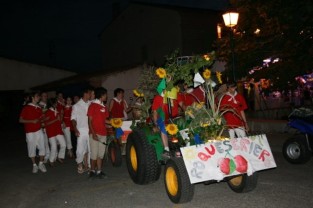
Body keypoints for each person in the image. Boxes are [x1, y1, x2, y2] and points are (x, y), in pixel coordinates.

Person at [19, 92, 47, 173]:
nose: (39, 98)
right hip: (30, 132)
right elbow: (20, 120)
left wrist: (43, 119)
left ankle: (41, 164)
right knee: (31, 149)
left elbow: (41, 119)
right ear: (32, 97)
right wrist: (32, 121)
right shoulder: (26, 108)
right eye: (37, 96)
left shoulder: (39, 108)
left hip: (39, 130)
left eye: (39, 96)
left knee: (42, 147)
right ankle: (34, 165)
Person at [87, 87, 110, 179]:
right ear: (101, 95)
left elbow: (105, 121)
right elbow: (89, 121)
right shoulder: (92, 106)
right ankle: (92, 171)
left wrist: (114, 123)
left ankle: (99, 171)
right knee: (94, 154)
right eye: (105, 95)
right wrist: (93, 134)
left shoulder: (104, 107)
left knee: (101, 154)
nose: (106, 96)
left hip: (103, 134)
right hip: (95, 134)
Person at [151, 89, 181, 158]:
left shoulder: (175, 94)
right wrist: (156, 124)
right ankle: (166, 149)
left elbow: (181, 104)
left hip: (175, 117)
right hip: (162, 118)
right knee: (163, 126)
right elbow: (155, 112)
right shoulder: (158, 98)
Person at [71, 88, 92, 174]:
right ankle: (79, 164)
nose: (90, 95)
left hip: (90, 129)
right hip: (81, 130)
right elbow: (73, 119)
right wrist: (75, 129)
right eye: (89, 93)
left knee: (89, 149)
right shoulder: (76, 106)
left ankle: (88, 166)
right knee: (80, 149)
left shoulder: (91, 104)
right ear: (85, 94)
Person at [44, 98, 66, 166]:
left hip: (58, 130)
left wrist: (61, 119)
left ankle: (59, 157)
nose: (57, 104)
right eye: (55, 103)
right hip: (51, 131)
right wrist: (56, 120)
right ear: (52, 104)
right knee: (53, 147)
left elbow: (60, 120)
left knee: (63, 144)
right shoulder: (48, 112)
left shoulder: (57, 110)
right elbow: (46, 123)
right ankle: (51, 160)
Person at [38, 91, 50, 163]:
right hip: (43, 125)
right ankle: (47, 155)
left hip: (51, 124)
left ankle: (54, 154)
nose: (45, 97)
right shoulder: (39, 105)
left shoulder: (50, 104)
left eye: (46, 95)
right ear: (41, 97)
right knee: (45, 141)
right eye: (43, 96)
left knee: (52, 140)